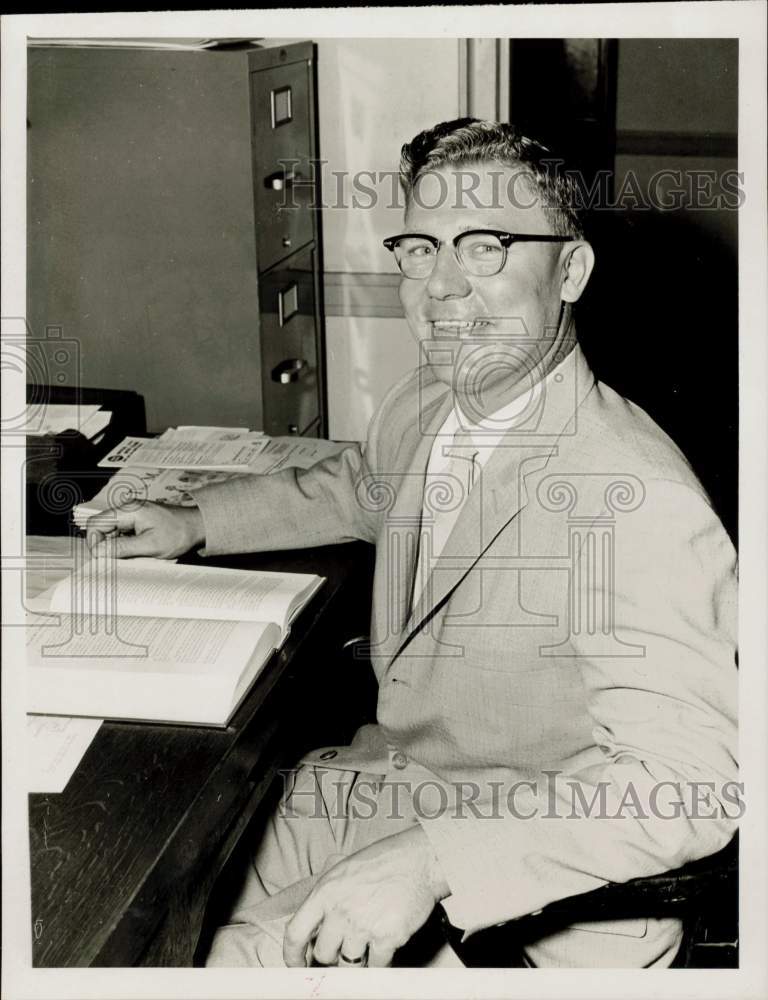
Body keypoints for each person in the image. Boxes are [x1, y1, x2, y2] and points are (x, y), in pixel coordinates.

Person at [87, 119, 738, 969]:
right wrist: (200, 520)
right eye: (421, 248)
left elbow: (687, 784)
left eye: (487, 246)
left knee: (210, 958)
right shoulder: (432, 401)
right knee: (144, 898)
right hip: (391, 783)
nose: (443, 289)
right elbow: (359, 488)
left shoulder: (634, 494)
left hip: (539, 881)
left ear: (570, 270)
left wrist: (433, 861)